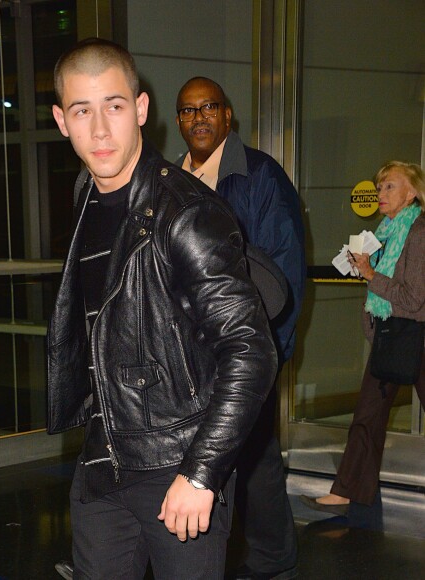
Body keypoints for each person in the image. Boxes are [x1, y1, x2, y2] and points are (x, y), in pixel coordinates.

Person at [48, 38, 278, 579]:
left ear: (142, 109)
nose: (100, 129)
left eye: (115, 106)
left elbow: (251, 349)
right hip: (105, 460)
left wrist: (202, 473)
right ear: (62, 120)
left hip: (179, 462)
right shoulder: (87, 194)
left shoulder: (187, 214)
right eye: (82, 110)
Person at [175, 77, 306, 580]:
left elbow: (284, 270)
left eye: (209, 107)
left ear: (228, 116)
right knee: (203, 452)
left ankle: (273, 559)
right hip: (190, 346)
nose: (199, 117)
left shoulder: (260, 177)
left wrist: (272, 349)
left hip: (247, 344)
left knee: (252, 453)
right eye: (188, 111)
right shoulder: (171, 180)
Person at [301, 161, 425, 514]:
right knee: (367, 416)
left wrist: (371, 274)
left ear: (412, 192)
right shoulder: (386, 233)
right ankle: (347, 491)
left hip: (416, 337)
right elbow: (389, 287)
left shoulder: (418, 232)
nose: (380, 193)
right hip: (392, 335)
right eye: (380, 186)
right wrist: (365, 271)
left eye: (390, 187)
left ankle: (347, 490)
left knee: (367, 415)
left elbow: (414, 297)